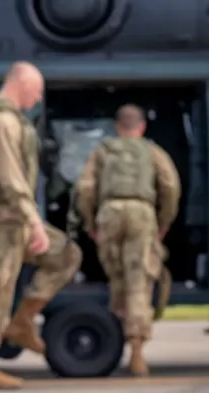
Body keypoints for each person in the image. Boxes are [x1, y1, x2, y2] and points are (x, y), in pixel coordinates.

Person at [0, 62, 82, 389]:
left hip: (11, 219)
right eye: (35, 91)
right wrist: (34, 222)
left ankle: (22, 322)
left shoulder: (2, 118)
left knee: (65, 254)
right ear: (22, 84)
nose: (37, 98)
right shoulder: (1, 121)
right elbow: (10, 178)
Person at [74, 103, 181, 376]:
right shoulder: (152, 152)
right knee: (138, 282)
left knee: (117, 279)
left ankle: (116, 335)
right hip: (142, 213)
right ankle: (136, 351)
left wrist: (90, 222)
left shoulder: (102, 152)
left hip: (109, 213)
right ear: (142, 126)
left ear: (116, 127)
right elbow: (170, 186)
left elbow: (85, 189)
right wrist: (163, 222)